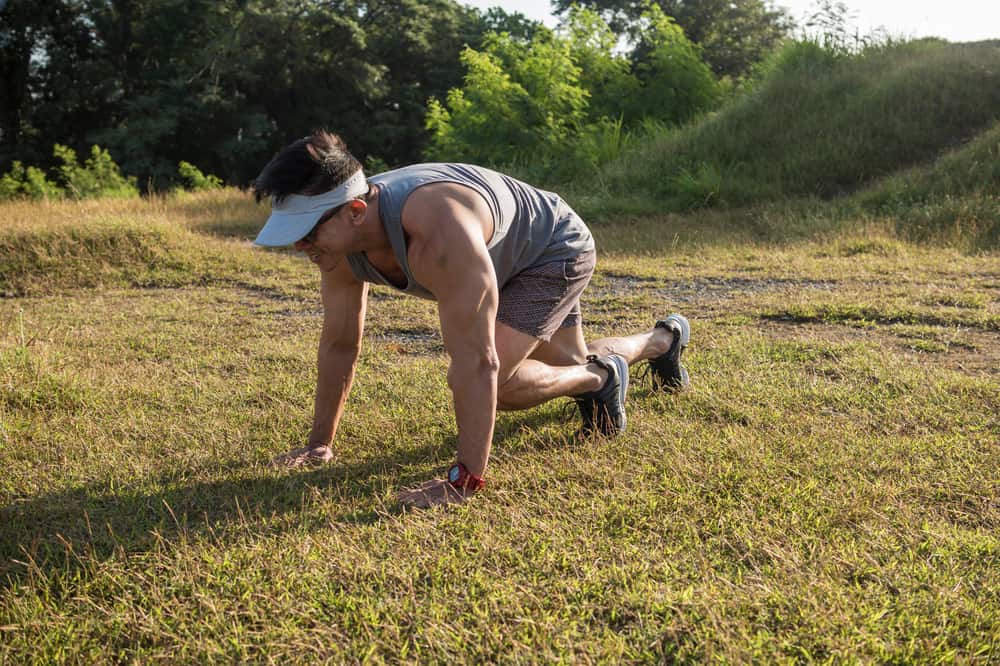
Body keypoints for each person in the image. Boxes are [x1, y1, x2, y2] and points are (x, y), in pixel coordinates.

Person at [252, 130, 690, 508]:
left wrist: (465, 480)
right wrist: (318, 446)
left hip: (550, 248)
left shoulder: (436, 232)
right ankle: (660, 341)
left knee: (497, 384)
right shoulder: (340, 251)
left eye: (307, 233)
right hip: (493, 253)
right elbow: (340, 344)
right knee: (564, 362)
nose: (299, 247)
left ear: (355, 213)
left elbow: (478, 363)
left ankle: (598, 378)